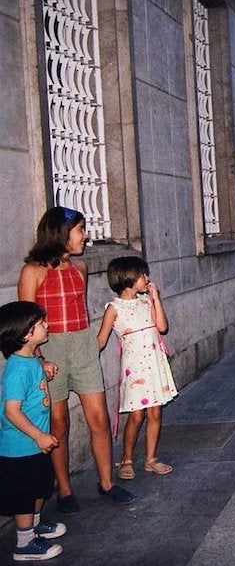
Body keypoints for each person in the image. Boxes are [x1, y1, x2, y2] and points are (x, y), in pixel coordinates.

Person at [17, 207, 133, 512]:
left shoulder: (79, 269)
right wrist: (39, 359)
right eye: (80, 230)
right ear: (61, 234)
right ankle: (65, 490)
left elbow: (79, 311)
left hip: (81, 345)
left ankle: (106, 482)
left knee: (99, 418)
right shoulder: (33, 271)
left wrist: (91, 344)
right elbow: (26, 321)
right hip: (50, 348)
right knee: (59, 422)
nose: (85, 236)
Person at [95, 256, 178, 480]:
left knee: (155, 413)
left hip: (154, 364)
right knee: (136, 416)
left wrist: (155, 299)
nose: (147, 278)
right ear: (129, 278)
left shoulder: (146, 302)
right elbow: (101, 339)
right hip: (135, 369)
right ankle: (127, 458)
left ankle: (151, 459)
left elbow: (162, 326)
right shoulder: (114, 308)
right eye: (143, 275)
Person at [0, 301, 66, 561]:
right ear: (26, 334)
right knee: (25, 495)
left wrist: (44, 368)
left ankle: (35, 525)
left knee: (40, 487)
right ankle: (24, 543)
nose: (46, 325)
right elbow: (12, 411)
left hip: (36, 445)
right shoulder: (16, 370)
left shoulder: (30, 360)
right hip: (21, 448)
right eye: (41, 324)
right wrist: (39, 435)